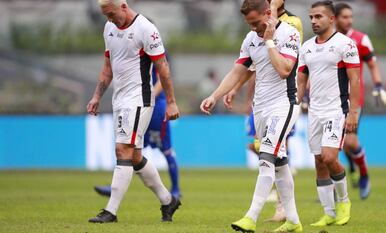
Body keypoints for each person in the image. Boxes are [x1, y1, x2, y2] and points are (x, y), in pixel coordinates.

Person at [201, 0, 302, 232]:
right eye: (249, 24)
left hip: (284, 105)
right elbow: (238, 71)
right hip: (260, 109)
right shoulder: (250, 38)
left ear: (268, 13)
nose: (254, 28)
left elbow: (285, 69)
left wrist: (268, 40)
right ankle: (294, 222)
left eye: (256, 23)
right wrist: (214, 96)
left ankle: (250, 217)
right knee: (280, 163)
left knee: (266, 156)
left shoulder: (289, 33)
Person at [87, 0, 181, 223]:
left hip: (140, 99)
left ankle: (111, 211)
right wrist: (97, 96)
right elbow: (107, 69)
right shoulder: (109, 28)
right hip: (120, 99)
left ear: (123, 5)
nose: (110, 19)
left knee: (123, 150)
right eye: (105, 15)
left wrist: (171, 101)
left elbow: (163, 67)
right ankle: (168, 200)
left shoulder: (146, 29)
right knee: (135, 156)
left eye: (111, 13)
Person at [296, 0, 359, 227]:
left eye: (318, 17)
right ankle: (329, 212)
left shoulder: (346, 44)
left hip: (336, 110)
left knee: (330, 157)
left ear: (331, 19)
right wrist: (295, 103)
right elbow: (301, 78)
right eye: (311, 17)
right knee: (319, 162)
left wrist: (353, 113)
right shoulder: (307, 47)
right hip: (315, 111)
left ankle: (344, 200)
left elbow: (355, 79)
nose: (313, 21)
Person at [94, 59, 182, 199]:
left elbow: (163, 77)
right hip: (138, 106)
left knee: (166, 149)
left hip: (156, 108)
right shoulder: (131, 46)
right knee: (126, 148)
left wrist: (150, 98)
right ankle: (115, 188)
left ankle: (176, 190)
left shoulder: (152, 44)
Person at [335, 2, 386, 199]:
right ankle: (336, 185)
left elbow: (372, 65)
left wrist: (378, 86)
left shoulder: (361, 39)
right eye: (345, 17)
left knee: (350, 142)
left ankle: (364, 175)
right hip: (330, 100)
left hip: (353, 100)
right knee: (333, 146)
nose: (349, 20)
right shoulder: (326, 40)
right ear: (335, 18)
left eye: (351, 17)